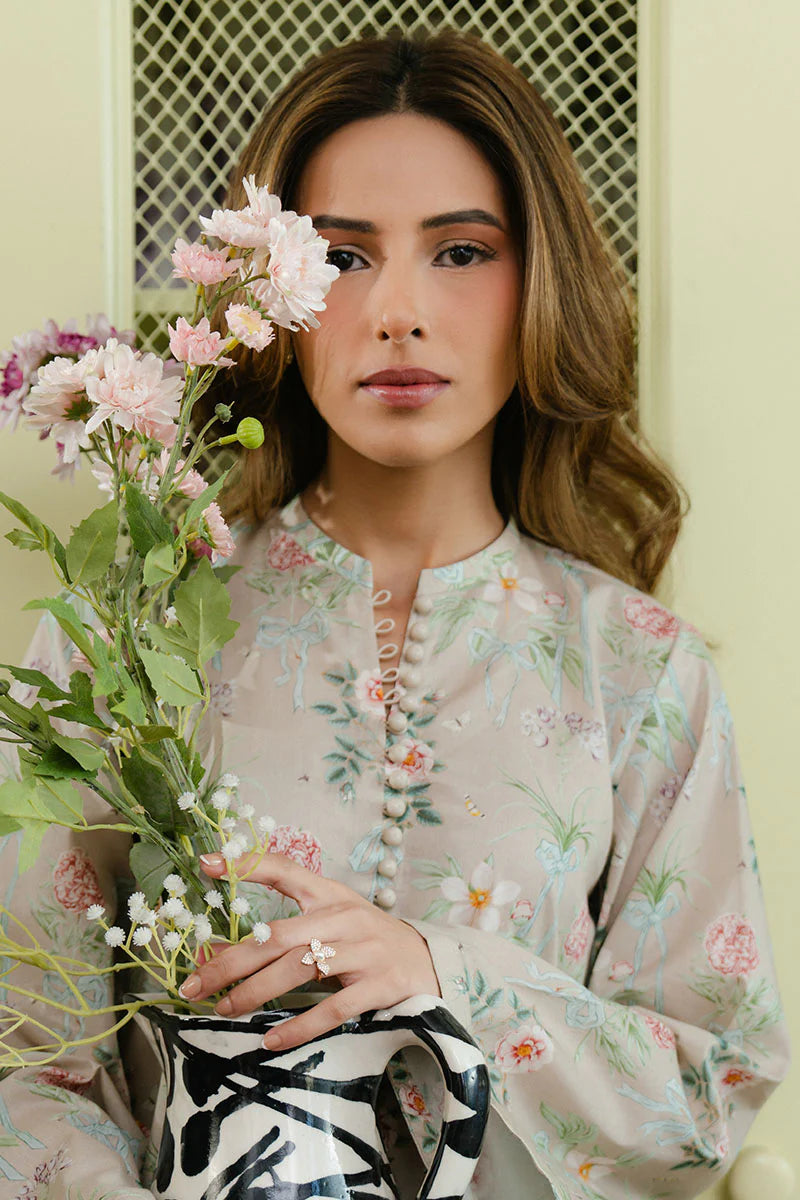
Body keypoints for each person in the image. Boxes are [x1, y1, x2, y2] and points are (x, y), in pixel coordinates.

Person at [0, 29, 789, 1200]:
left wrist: (446, 971)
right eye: (342, 257)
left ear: (538, 284)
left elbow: (708, 1088)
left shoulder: (637, 668)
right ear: (269, 296)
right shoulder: (122, 635)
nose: (397, 312)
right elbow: (27, 1063)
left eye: (460, 252)